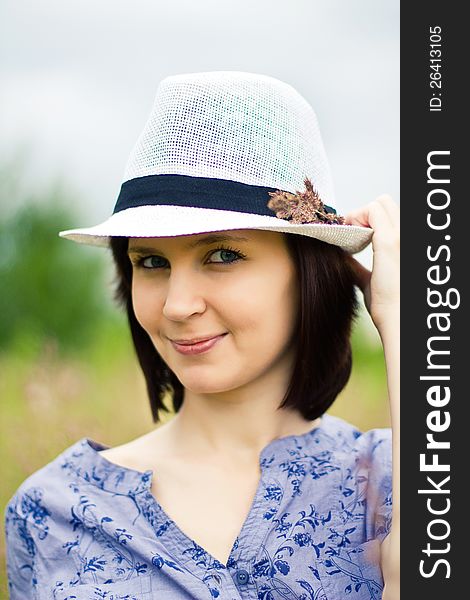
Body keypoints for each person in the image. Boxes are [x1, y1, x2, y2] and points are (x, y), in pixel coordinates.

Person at [4, 71, 399, 599]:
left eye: (222, 255)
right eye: (151, 261)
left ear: (309, 271)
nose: (176, 305)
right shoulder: (55, 510)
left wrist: (403, 325)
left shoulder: (402, 479)